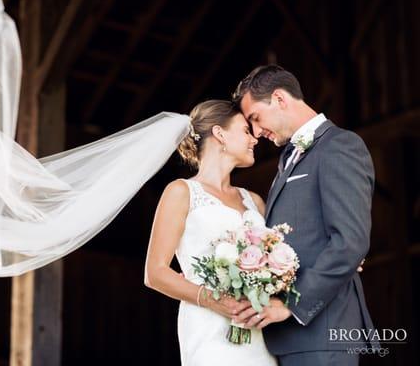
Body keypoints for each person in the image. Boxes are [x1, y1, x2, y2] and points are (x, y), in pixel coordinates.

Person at [231, 65, 378, 366]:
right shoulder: (289, 158)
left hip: (324, 331)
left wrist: (290, 305)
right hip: (291, 339)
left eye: (256, 118)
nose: (257, 133)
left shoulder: (339, 146)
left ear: (280, 99)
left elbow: (350, 241)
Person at [144, 99, 277, 365]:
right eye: (245, 131)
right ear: (220, 134)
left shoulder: (255, 201)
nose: (255, 139)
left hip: (257, 330)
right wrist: (215, 301)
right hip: (208, 329)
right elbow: (155, 273)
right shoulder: (181, 192)